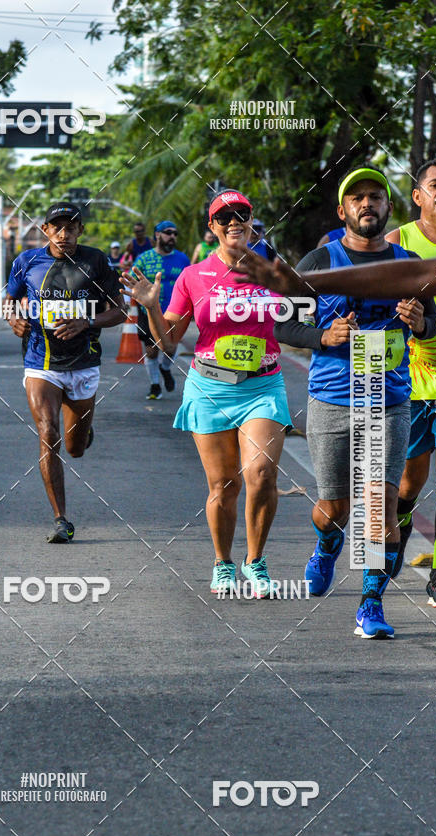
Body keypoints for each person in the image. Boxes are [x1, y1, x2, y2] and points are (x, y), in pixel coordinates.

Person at [237, 167, 436, 637]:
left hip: (387, 400)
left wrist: (419, 324)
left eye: (375, 197)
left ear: (389, 208)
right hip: (331, 398)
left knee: (378, 505)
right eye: (358, 198)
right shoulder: (320, 260)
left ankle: (370, 604)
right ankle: (326, 545)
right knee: (333, 507)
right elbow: (279, 325)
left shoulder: (407, 261)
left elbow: (432, 323)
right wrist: (322, 335)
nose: (367, 204)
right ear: (342, 210)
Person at [121, 190, 292, 596]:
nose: (234, 222)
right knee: (224, 487)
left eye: (242, 215)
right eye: (224, 217)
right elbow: (168, 344)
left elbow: (301, 317)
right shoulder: (193, 276)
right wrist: (149, 306)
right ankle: (223, 562)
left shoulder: (272, 270)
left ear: (251, 222)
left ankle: (256, 560)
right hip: (210, 388)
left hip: (263, 385)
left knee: (262, 474)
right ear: (212, 227)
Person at [4, 201, 126, 543]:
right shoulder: (26, 262)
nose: (64, 233)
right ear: (45, 230)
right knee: (48, 434)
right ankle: (61, 520)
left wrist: (86, 322)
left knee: (75, 448)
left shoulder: (95, 261)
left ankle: (83, 432)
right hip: (41, 364)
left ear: (80, 231)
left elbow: (119, 311)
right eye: (56, 227)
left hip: (83, 364)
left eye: (70, 227)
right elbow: (11, 300)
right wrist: (13, 318)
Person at [384, 158, 436, 606]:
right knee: (408, 485)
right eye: (435, 185)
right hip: (405, 383)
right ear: (418, 196)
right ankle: (401, 521)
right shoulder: (398, 242)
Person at [135, 220, 190, 399]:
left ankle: (165, 368)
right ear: (157, 235)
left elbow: (190, 285)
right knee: (151, 350)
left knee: (171, 349)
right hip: (148, 312)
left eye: (175, 233)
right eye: (168, 232)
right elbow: (132, 280)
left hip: (175, 312)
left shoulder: (183, 259)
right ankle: (155, 385)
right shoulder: (144, 259)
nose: (172, 236)